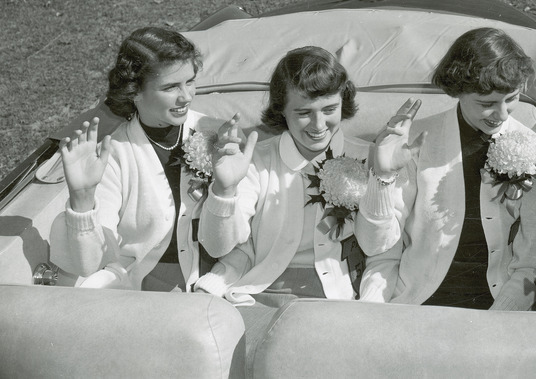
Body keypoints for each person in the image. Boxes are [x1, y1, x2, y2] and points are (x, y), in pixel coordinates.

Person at [194, 46, 416, 307]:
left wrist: (382, 178)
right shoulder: (255, 162)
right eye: (303, 113)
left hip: (339, 301)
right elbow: (217, 248)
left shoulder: (376, 159)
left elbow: (379, 251)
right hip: (256, 296)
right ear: (281, 111)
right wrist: (224, 189)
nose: (319, 125)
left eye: (329, 109)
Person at [356, 27, 536, 310]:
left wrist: (497, 322)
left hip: (497, 307)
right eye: (487, 104)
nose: (503, 114)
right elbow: (376, 248)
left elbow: (531, 262)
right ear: (458, 91)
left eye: (511, 98)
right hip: (416, 303)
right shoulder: (415, 143)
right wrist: (382, 176)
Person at [49, 27, 257, 292]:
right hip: (143, 288)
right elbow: (90, 264)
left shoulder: (219, 135)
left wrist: (224, 190)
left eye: (190, 81)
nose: (187, 96)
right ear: (134, 91)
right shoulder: (113, 154)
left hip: (220, 281)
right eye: (171, 87)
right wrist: (82, 198)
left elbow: (223, 247)